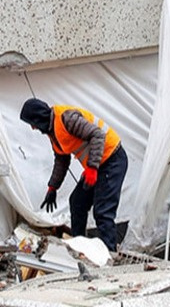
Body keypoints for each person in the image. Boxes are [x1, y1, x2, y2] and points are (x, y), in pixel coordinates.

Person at [20, 98, 127, 252]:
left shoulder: (66, 118)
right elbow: (61, 160)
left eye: (32, 123)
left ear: (38, 117)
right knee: (77, 202)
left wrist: (91, 168)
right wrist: (53, 187)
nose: (33, 128)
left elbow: (98, 135)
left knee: (103, 211)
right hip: (97, 165)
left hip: (112, 159)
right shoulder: (53, 132)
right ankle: (79, 248)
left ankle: (110, 255)